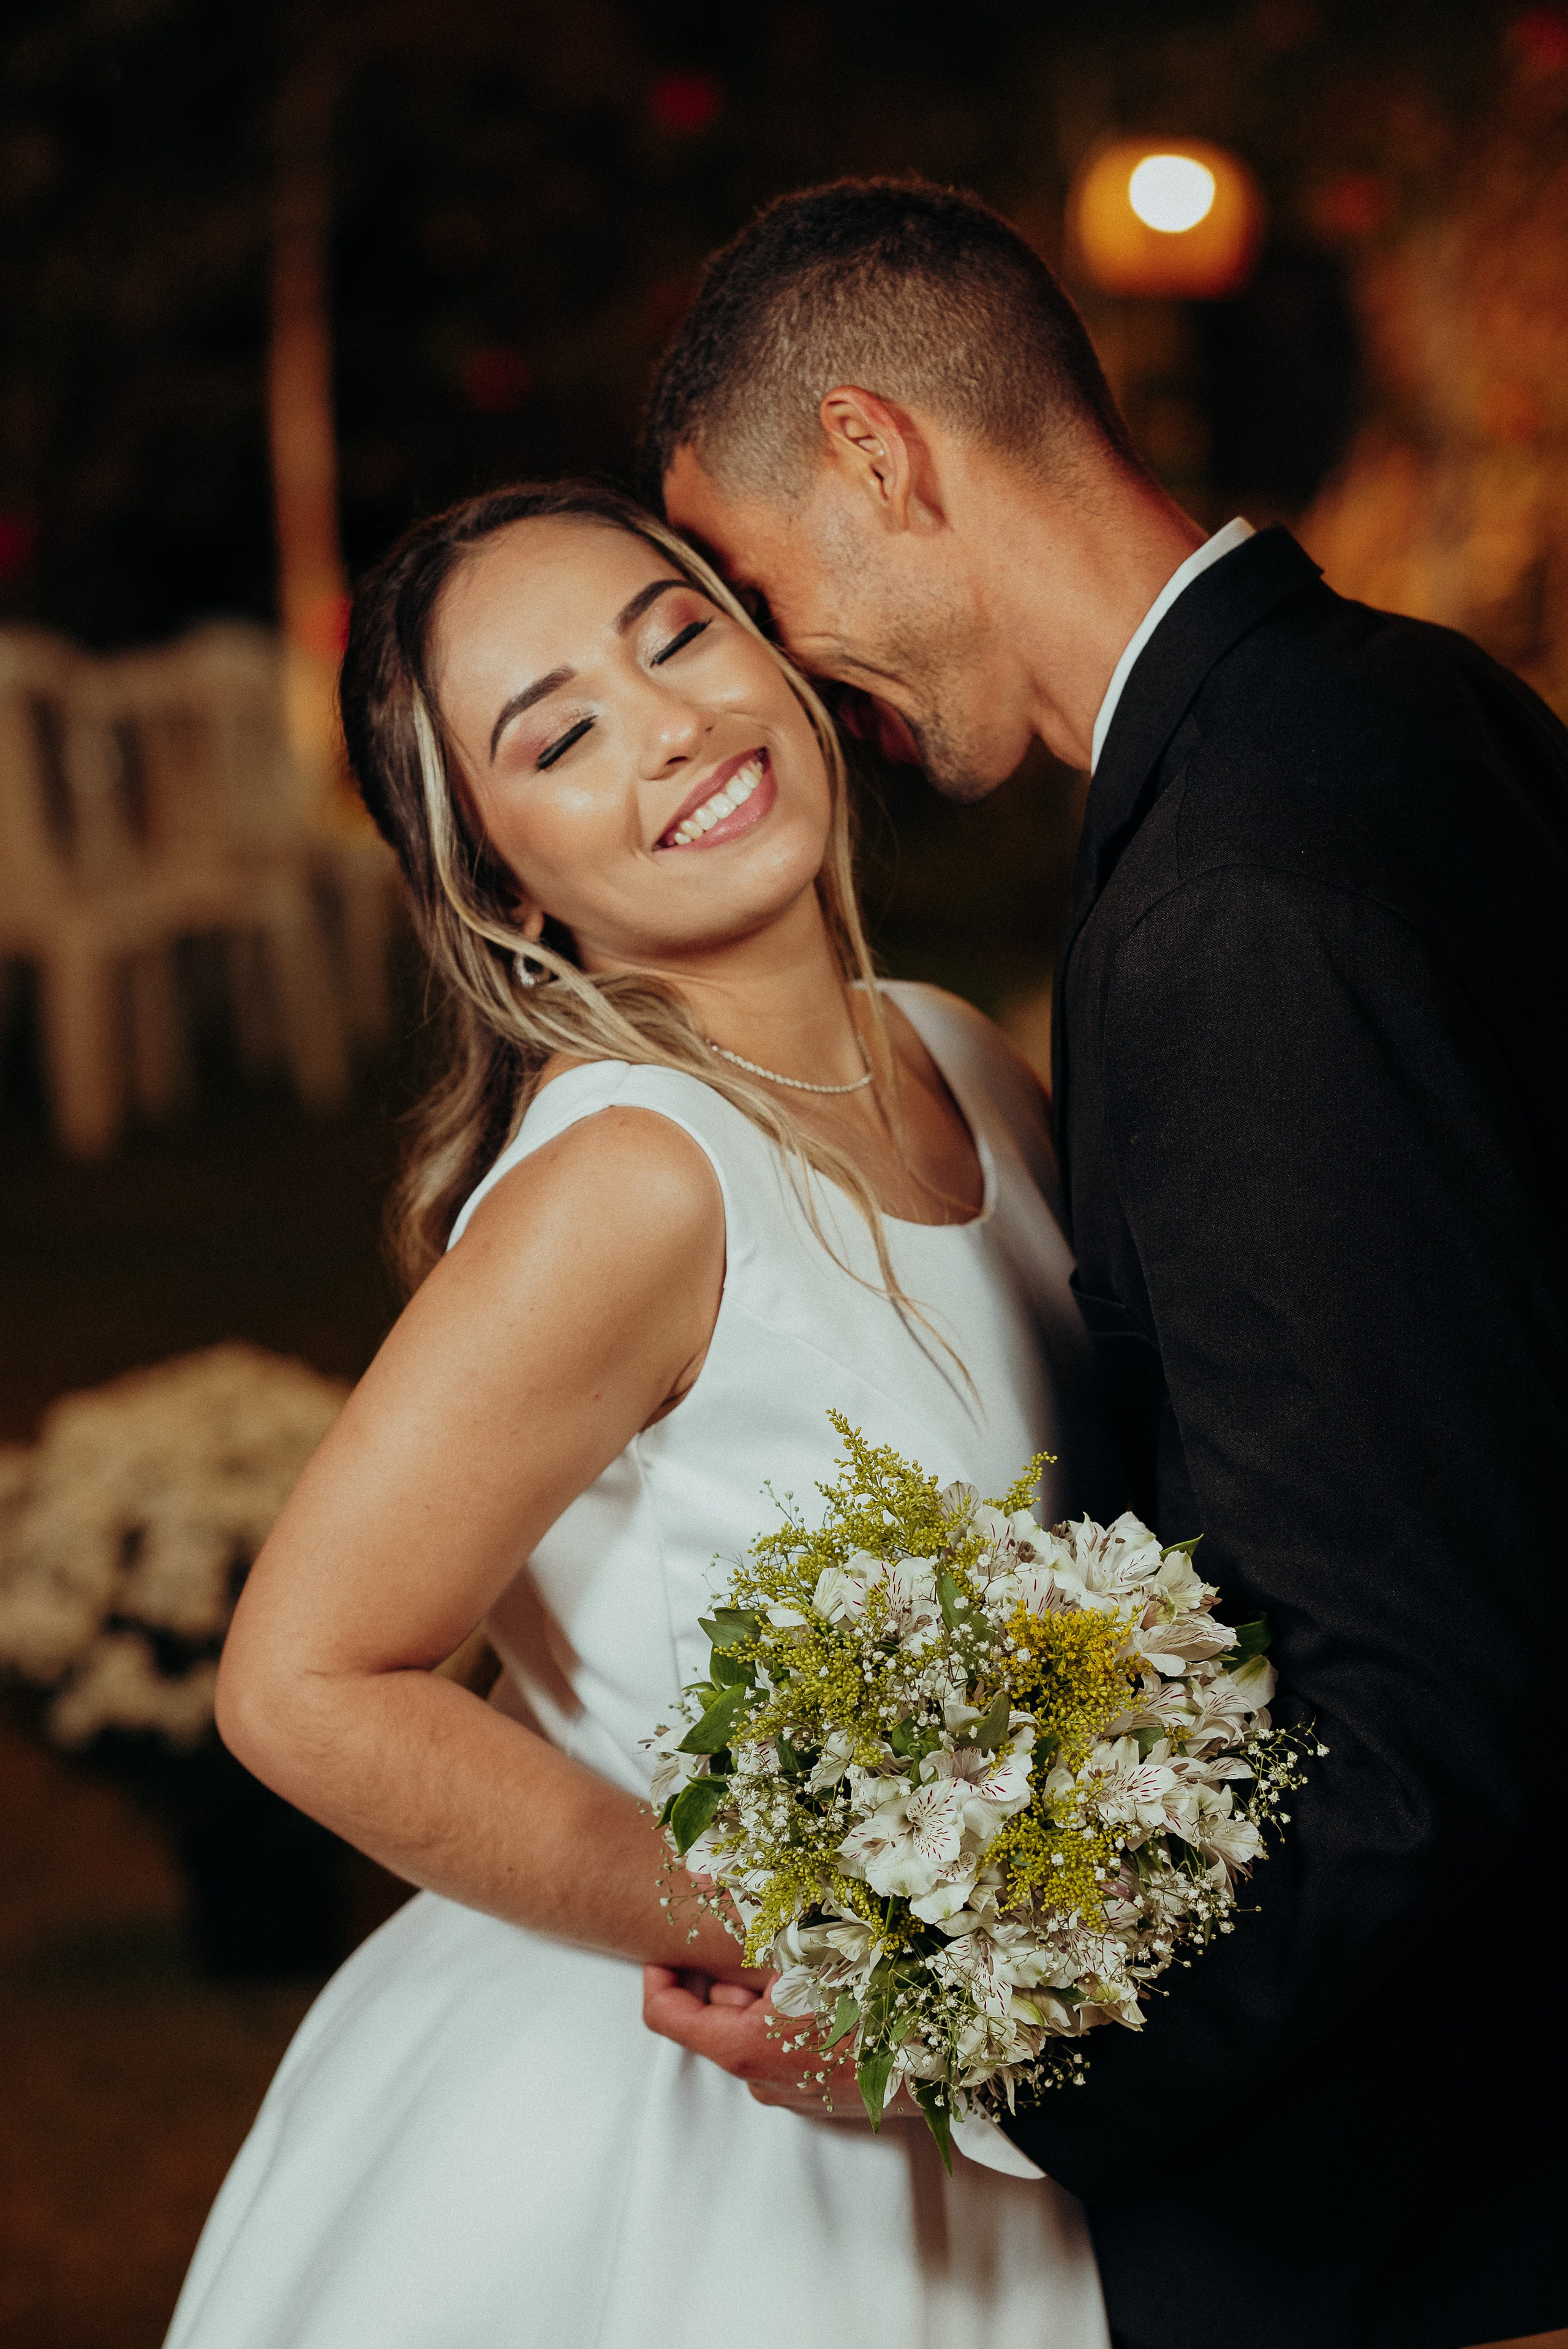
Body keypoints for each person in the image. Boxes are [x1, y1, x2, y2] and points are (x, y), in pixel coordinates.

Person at [638, 178, 1568, 2349]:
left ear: (882, 455)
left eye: (769, 589)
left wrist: (981, 2064)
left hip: (1444, 2206)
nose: (788, 672)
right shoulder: (1412, 706)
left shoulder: (1229, 898)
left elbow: (1413, 1708)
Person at [161, 478, 1118, 2349]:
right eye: (563, 731)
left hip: (994, 2104)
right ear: (506, 879)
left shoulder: (962, 1054)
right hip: (718, 2131)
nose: (669, 723)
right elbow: (300, 1679)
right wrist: (807, 1944)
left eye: (676, 633)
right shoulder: (635, 1180)